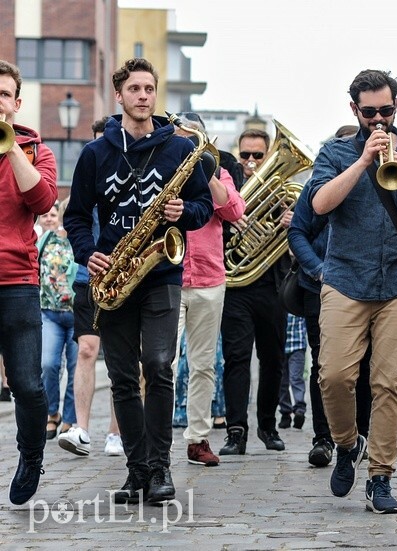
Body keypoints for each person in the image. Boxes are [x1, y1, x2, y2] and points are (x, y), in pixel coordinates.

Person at [64, 57, 213, 503]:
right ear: (120, 95)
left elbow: (203, 206)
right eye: (135, 89)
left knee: (159, 365)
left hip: (162, 273)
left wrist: (182, 213)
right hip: (114, 274)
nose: (143, 96)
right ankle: (136, 470)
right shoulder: (95, 153)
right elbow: (75, 215)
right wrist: (87, 253)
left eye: (149, 88)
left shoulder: (180, 150)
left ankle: (161, 468)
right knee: (125, 377)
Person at [310, 69, 397, 513]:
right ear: (355, 111)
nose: (379, 118)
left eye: (387, 110)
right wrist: (364, 161)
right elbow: (319, 205)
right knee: (334, 375)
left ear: (396, 106)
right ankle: (348, 443)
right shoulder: (334, 153)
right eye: (370, 112)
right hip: (346, 278)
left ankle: (380, 477)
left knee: (390, 384)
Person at [288, 124, 373, 467]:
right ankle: (323, 438)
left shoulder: (376, 182)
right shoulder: (315, 186)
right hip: (318, 287)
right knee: (324, 366)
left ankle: (360, 437)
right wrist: (319, 270)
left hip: (366, 288)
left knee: (365, 368)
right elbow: (297, 233)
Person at [171, 112, 245, 467]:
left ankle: (197, 439)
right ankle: (149, 440)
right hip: (165, 277)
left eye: (190, 139)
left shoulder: (217, 170)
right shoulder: (162, 166)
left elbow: (234, 209)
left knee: (203, 365)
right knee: (161, 363)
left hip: (209, 278)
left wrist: (208, 168)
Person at [0, 59, 58, 505]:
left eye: (3, 95)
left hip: (17, 280)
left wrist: (11, 146)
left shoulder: (38, 150)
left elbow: (41, 201)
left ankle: (31, 454)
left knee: (28, 384)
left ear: (16, 104)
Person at [58, 117, 125, 458]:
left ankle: (116, 432)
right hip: (88, 276)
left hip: (125, 278)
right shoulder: (88, 171)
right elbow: (73, 222)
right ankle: (81, 428)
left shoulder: (127, 176)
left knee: (120, 357)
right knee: (86, 350)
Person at [219, 127, 288, 456]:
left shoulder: (281, 193)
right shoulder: (228, 188)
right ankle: (236, 431)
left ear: (268, 156)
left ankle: (267, 425)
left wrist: (293, 220)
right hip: (235, 286)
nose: (248, 162)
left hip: (272, 286)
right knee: (236, 359)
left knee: (273, 360)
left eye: (257, 156)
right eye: (244, 154)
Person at [37, 200, 78, 440]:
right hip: (49, 313)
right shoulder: (45, 240)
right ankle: (52, 412)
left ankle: (70, 419)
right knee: (48, 364)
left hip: (76, 314)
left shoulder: (81, 240)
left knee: (76, 369)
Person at [279, 313, 307, 430]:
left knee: (296, 378)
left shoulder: (297, 300)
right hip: (280, 345)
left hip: (298, 346)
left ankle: (299, 410)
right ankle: (285, 412)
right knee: (281, 381)